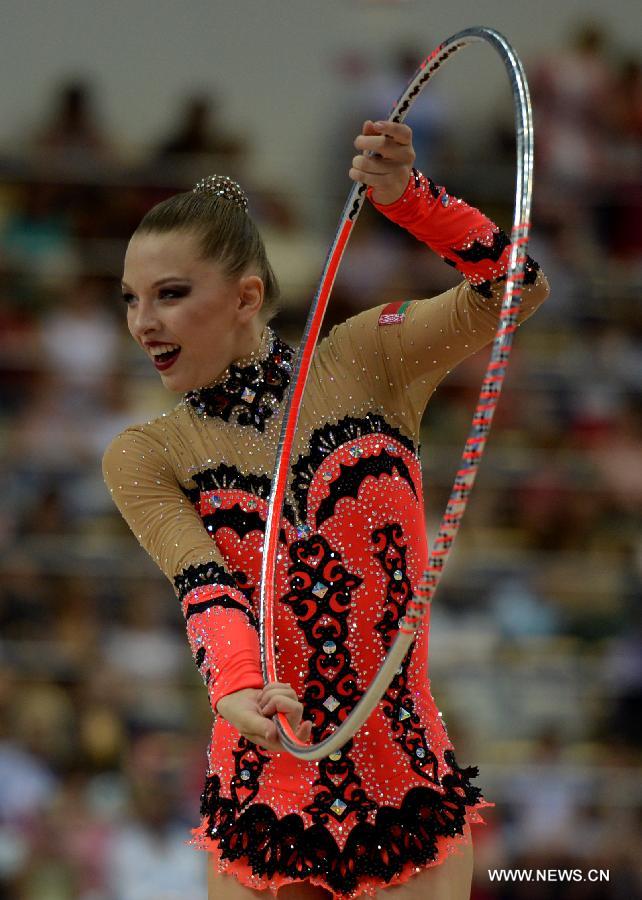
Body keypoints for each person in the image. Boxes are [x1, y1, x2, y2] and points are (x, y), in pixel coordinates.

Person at [103, 120, 550, 899]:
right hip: (263, 781)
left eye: (170, 295)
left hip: (402, 782)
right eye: (132, 300)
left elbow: (517, 288)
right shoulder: (148, 453)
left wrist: (410, 200)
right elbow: (204, 586)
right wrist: (237, 685)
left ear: (245, 296)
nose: (144, 322)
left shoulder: (365, 359)